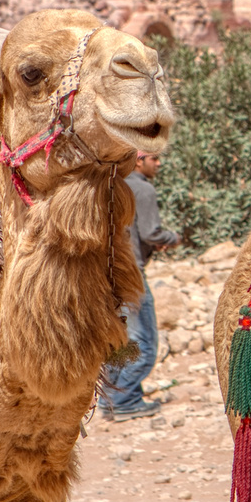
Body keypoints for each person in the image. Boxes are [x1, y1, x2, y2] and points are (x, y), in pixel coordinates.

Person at [102, 150, 180, 421]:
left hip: (108, 274)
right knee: (144, 342)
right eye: (154, 158)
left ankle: (111, 399)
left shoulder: (112, 185)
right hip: (132, 273)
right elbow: (150, 232)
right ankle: (125, 401)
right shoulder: (143, 190)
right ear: (138, 160)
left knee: (120, 340)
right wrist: (174, 238)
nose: (158, 163)